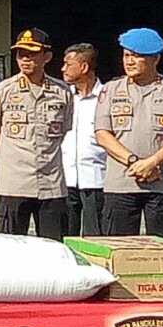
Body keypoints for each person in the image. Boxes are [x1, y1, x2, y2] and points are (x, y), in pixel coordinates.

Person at [94, 28, 163, 240]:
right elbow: (103, 134)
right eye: (126, 55)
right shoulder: (110, 90)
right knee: (119, 250)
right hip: (121, 184)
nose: (129, 61)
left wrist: (152, 162)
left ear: (155, 58)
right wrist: (134, 162)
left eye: (137, 56)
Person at [0, 28, 72, 240]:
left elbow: (63, 132)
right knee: (12, 248)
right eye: (20, 54)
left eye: (32, 53)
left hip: (51, 184)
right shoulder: (3, 90)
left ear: (47, 56)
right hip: (15, 183)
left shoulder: (62, 92)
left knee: (54, 248)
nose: (25, 59)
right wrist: (13, 152)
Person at [62, 43, 107, 236]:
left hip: (97, 179)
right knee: (63, 239)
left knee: (95, 238)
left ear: (84, 67)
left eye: (67, 64)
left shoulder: (108, 97)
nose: (63, 68)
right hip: (65, 179)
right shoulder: (62, 96)